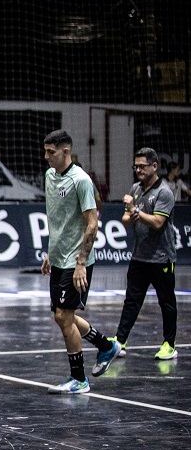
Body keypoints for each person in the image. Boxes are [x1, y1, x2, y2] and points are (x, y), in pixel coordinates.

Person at [40, 130, 120, 393]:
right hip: (60, 258)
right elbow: (58, 219)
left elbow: (92, 224)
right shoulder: (49, 176)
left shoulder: (81, 181)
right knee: (62, 316)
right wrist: (51, 252)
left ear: (66, 151)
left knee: (64, 315)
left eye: (51, 152)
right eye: (45, 151)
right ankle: (107, 346)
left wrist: (81, 262)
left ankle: (79, 379)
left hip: (77, 262)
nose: (46, 156)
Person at [109, 148, 179, 360]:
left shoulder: (164, 193)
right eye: (136, 166)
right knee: (131, 300)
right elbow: (125, 219)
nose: (138, 170)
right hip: (139, 256)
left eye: (142, 166)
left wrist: (136, 211)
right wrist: (132, 211)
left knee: (166, 302)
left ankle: (169, 344)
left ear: (154, 166)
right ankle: (120, 341)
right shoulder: (136, 189)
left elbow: (158, 223)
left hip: (161, 258)